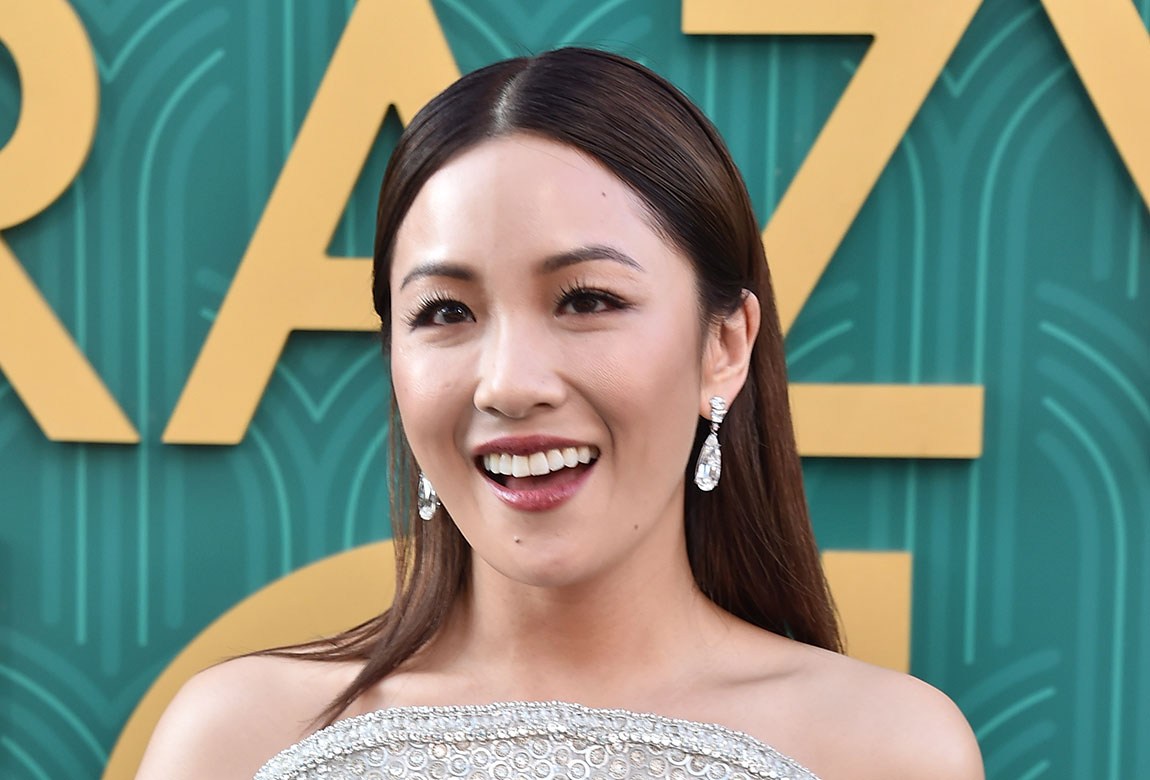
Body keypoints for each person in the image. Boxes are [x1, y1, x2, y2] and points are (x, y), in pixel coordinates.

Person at [136, 47, 983, 780]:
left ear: (724, 345)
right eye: (445, 312)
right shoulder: (233, 741)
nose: (509, 385)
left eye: (587, 300)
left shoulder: (888, 749)